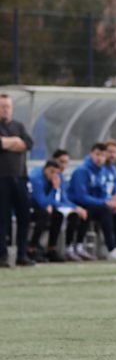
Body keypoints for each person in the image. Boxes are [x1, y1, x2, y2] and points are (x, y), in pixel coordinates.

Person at [68, 142, 116, 261]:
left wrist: (111, 202)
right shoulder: (82, 171)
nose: (99, 158)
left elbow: (103, 193)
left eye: (102, 155)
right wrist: (105, 203)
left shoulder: (102, 172)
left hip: (95, 205)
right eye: (97, 154)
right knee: (104, 210)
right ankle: (111, 249)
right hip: (80, 205)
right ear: (91, 154)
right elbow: (81, 196)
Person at [27, 159, 90, 262]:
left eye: (57, 173)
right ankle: (31, 248)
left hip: (46, 206)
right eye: (51, 172)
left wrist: (74, 207)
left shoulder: (58, 177)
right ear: (45, 169)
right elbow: (42, 202)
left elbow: (61, 199)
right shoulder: (36, 179)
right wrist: (54, 189)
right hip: (30, 207)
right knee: (44, 215)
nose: (54, 175)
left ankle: (51, 249)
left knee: (58, 216)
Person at [0, 94, 35, 267]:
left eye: (7, 106)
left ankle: (22, 254)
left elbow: (27, 144)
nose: (5, 109)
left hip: (20, 177)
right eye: (2, 106)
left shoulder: (19, 126)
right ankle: (2, 255)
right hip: (2, 179)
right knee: (2, 218)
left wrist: (9, 142)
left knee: (24, 217)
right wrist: (14, 142)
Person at [51, 148, 93, 261]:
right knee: (72, 216)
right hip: (51, 208)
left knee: (83, 212)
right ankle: (58, 248)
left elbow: (64, 198)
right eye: (61, 161)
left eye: (66, 162)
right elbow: (49, 198)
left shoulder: (61, 177)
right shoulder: (46, 175)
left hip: (61, 207)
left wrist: (75, 207)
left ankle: (76, 246)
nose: (63, 165)